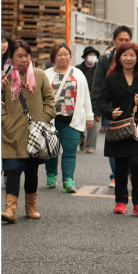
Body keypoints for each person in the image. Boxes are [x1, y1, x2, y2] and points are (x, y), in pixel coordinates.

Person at [96, 42, 138, 216]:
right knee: (121, 166)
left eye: (132, 55)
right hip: (119, 128)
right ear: (118, 57)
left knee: (137, 165)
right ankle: (121, 201)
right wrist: (109, 112)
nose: (128, 59)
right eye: (124, 55)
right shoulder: (111, 78)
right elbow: (101, 101)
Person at [1, 40, 56, 223]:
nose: (24, 59)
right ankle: (10, 210)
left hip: (36, 133)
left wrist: (43, 118)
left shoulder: (39, 75)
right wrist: (4, 120)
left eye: (26, 55)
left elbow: (50, 101)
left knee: (32, 171)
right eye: (19, 56)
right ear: (11, 57)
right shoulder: (4, 77)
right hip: (12, 133)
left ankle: (31, 206)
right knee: (13, 169)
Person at [43, 43, 94, 193]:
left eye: (66, 54)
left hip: (72, 119)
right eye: (59, 55)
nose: (63, 57)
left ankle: (68, 180)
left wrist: (89, 116)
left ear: (70, 56)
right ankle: (51, 176)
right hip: (51, 119)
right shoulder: (47, 74)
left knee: (70, 151)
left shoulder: (78, 74)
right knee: (51, 150)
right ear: (54, 57)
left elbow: (85, 97)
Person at [91, 25, 133, 187]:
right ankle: (116, 176)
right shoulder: (105, 60)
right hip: (112, 110)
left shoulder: (136, 58)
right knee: (114, 143)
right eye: (120, 39)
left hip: (131, 109)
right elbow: (97, 86)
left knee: (130, 144)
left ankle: (127, 174)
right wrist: (98, 110)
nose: (123, 42)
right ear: (114, 41)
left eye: (127, 39)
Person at [78, 46, 100, 154]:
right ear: (85, 56)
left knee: (94, 121)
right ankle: (81, 140)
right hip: (80, 97)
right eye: (90, 54)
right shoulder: (78, 68)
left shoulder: (99, 68)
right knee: (79, 119)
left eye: (94, 54)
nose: (92, 57)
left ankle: (90, 145)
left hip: (95, 98)